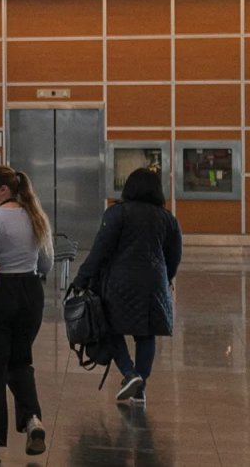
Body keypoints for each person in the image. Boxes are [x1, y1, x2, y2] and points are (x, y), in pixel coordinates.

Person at [72, 168, 183, 405]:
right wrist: (166, 278)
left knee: (109, 327)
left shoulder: (117, 213)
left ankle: (129, 373)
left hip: (119, 283)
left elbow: (100, 251)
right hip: (154, 284)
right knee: (146, 334)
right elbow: (174, 257)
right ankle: (141, 388)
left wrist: (81, 279)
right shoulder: (168, 219)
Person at [0, 166, 53, 462]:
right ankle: (32, 419)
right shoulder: (36, 216)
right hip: (31, 293)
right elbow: (46, 265)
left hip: (0, 293)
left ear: (4, 190)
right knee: (20, 361)